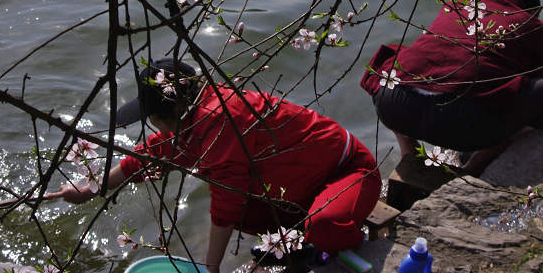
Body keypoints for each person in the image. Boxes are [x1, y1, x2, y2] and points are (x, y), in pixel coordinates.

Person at [46, 58, 381, 273]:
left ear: (164, 116)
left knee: (322, 227)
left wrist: (211, 268)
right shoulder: (193, 121)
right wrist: (91, 188)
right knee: (250, 216)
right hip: (303, 186)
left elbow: (225, 207)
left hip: (349, 171)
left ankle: (338, 240)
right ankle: (310, 238)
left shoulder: (221, 123)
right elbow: (153, 151)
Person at [359, 0, 543, 174]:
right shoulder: (531, 24)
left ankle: (408, 151)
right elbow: (538, 78)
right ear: (533, 11)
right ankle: (475, 165)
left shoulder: (456, 6)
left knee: (397, 63)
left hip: (394, 106)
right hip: (464, 126)